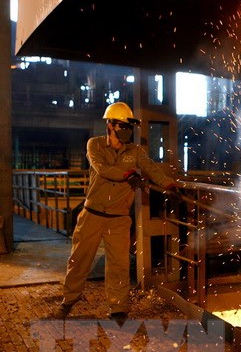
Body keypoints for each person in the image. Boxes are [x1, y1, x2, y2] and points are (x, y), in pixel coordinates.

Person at [57, 102, 178, 323]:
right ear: (110, 125)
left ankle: (118, 308)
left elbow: (150, 168)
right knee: (79, 260)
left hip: (119, 218)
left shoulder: (136, 151)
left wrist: (169, 184)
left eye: (129, 127)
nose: (126, 130)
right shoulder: (95, 145)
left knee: (119, 266)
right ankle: (68, 300)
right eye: (122, 125)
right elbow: (102, 169)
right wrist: (128, 175)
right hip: (92, 214)